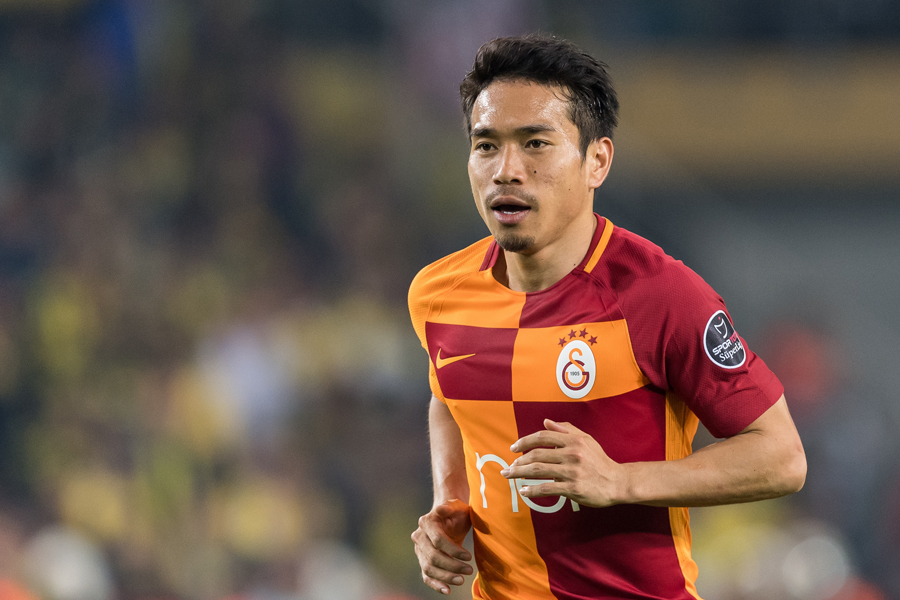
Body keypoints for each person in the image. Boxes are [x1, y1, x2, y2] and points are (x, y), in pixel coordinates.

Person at [407, 34, 806, 600]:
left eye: (536, 143)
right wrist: (451, 502)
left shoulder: (659, 294)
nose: (506, 170)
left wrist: (620, 480)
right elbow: (449, 395)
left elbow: (781, 456)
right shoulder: (437, 293)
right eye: (486, 146)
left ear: (597, 161)